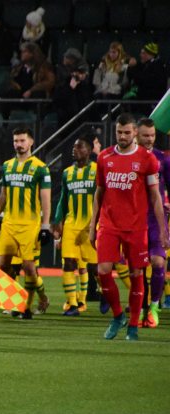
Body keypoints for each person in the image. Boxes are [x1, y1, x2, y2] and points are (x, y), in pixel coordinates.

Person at [90, 113, 167, 341]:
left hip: (136, 227)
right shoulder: (104, 157)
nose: (122, 136)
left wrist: (163, 230)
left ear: (135, 132)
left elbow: (155, 197)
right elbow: (99, 192)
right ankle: (117, 316)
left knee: (136, 275)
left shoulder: (147, 159)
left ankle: (133, 324)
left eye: (127, 132)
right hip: (109, 225)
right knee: (103, 271)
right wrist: (92, 224)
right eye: (119, 132)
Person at [0, 128, 52, 319]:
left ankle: (35, 301)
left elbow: (46, 200)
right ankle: (18, 303)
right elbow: (3, 196)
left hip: (30, 226)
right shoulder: (8, 166)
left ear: (31, 142)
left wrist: (46, 225)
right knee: (1, 267)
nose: (19, 144)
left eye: (22, 140)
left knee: (29, 268)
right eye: (16, 140)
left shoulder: (41, 168)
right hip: (9, 224)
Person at [51, 137, 98, 316]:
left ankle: (98, 293)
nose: (75, 149)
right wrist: (57, 221)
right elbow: (63, 199)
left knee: (93, 267)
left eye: (79, 147)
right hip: (71, 223)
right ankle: (72, 304)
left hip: (91, 225)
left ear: (89, 150)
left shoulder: (98, 170)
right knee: (69, 263)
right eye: (74, 146)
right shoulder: (67, 173)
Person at [135, 118, 170, 328]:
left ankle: (154, 307)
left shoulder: (162, 160)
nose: (149, 140)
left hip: (156, 221)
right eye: (145, 136)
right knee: (137, 269)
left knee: (158, 262)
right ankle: (140, 308)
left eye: (152, 136)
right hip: (135, 221)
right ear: (137, 135)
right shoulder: (128, 160)